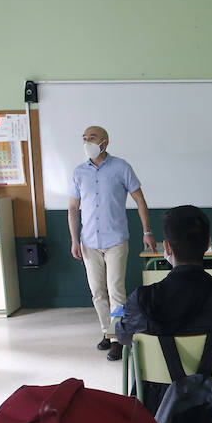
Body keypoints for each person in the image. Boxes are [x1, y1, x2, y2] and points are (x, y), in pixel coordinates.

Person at [116, 205, 212, 423]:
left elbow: (123, 335)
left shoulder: (141, 300)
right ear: (208, 244)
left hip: (156, 409)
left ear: (166, 247)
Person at [68, 126, 156, 361]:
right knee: (97, 292)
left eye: (92, 138)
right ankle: (106, 332)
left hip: (116, 240)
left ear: (105, 142)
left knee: (116, 290)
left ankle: (118, 338)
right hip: (89, 242)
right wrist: (74, 240)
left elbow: (140, 200)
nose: (87, 142)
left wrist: (147, 232)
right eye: (84, 138)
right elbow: (73, 208)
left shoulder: (121, 167)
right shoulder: (79, 172)